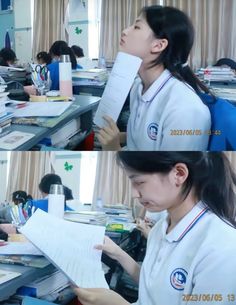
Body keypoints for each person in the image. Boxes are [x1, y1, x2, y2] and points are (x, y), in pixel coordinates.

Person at [73, 152, 236, 305]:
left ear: (179, 174)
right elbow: (152, 285)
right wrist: (117, 252)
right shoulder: (160, 229)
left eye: (139, 182)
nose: (133, 194)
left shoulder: (223, 246)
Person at [97, 6, 211, 151]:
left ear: (158, 45)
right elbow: (142, 139)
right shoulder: (138, 87)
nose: (125, 31)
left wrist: (113, 149)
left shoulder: (185, 109)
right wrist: (120, 137)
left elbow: (168, 170)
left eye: (137, 27)